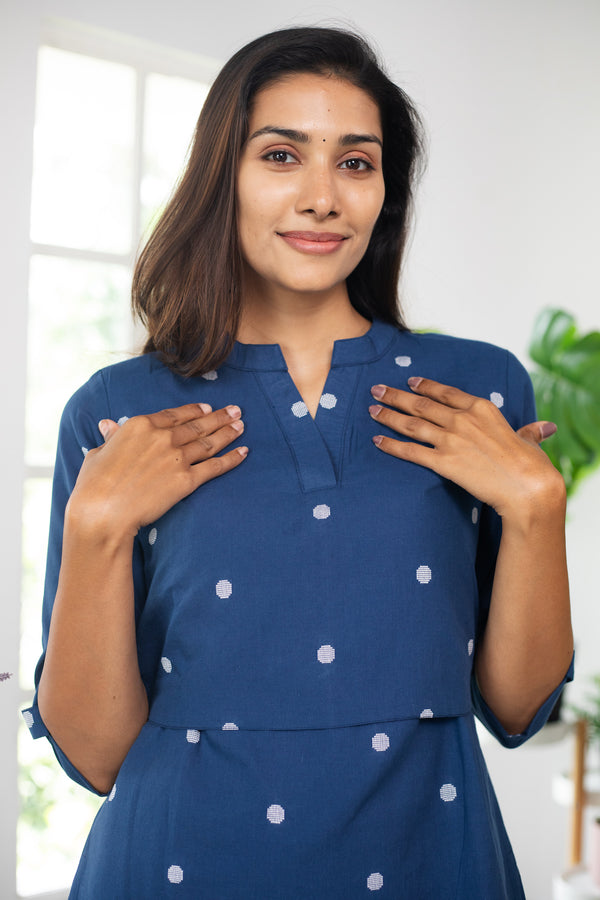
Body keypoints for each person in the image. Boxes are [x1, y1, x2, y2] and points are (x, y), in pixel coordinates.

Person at [24, 25, 574, 899]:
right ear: (223, 178)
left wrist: (539, 511)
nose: (324, 197)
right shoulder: (116, 411)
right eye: (282, 155)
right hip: (172, 869)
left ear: (384, 193)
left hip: (433, 863)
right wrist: (95, 528)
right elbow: (91, 758)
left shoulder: (478, 390)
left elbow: (514, 709)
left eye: (356, 163)